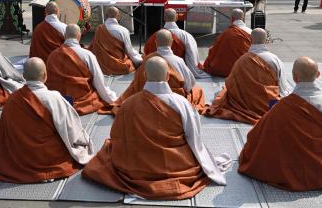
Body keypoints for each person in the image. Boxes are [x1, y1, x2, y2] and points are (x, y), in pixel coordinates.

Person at [82, 56, 230, 200]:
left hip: (135, 166)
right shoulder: (182, 103)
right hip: (175, 163)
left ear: (145, 75)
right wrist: (206, 162)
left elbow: (117, 136)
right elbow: (194, 137)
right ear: (167, 76)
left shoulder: (128, 104)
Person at [238, 56, 322, 191]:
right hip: (321, 174)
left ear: (294, 77)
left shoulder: (280, 107)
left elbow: (257, 136)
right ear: (318, 75)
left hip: (285, 174)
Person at [0, 57, 95, 183]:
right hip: (47, 159)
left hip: (18, 157)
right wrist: (84, 141)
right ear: (45, 75)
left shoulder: (12, 99)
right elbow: (72, 131)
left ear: (24, 75)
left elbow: (2, 132)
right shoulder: (54, 98)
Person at [204, 28, 291, 125]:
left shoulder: (242, 60)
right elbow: (282, 87)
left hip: (244, 103)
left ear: (250, 39)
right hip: (268, 104)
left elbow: (230, 84)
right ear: (266, 40)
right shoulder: (275, 60)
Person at [113, 30, 206, 112]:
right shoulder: (179, 61)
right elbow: (189, 85)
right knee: (197, 90)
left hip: (148, 97)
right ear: (172, 42)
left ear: (156, 43)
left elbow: (138, 83)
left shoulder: (148, 59)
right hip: (174, 100)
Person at [45, 24, 117, 115]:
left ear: (65, 36)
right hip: (82, 100)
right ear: (79, 36)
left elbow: (49, 81)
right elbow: (99, 82)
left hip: (59, 100)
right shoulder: (87, 55)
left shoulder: (52, 55)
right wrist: (112, 100)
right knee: (98, 95)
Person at [144, 8, 208, 78]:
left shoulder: (155, 36)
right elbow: (192, 56)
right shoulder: (186, 35)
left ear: (164, 18)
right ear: (177, 17)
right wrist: (190, 71)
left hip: (157, 71)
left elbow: (147, 53)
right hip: (179, 70)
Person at [88, 6, 142, 75]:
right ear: (118, 16)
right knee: (129, 63)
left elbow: (94, 48)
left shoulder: (99, 29)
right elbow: (129, 51)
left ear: (106, 16)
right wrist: (139, 61)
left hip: (101, 64)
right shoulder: (123, 30)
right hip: (118, 64)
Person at [201, 9, 251, 77]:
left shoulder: (225, 34)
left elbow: (214, 50)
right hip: (242, 70)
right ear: (243, 18)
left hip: (223, 70)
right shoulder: (250, 32)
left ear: (231, 19)